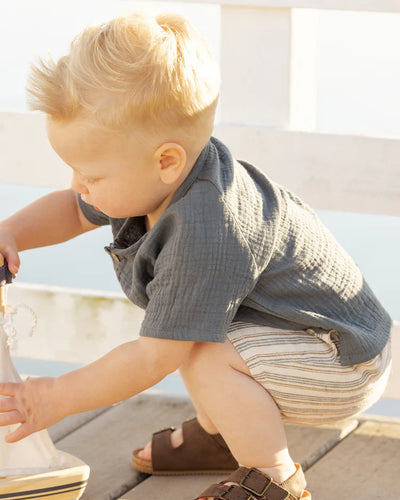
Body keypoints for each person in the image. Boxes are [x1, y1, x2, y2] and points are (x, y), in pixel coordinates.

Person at [0, 10, 392, 500]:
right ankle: (225, 432)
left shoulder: (208, 227)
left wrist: (53, 396)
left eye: (90, 175)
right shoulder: (149, 178)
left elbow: (154, 358)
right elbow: (74, 211)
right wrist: (11, 230)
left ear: (167, 161)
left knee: (199, 348)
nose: (78, 185)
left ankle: (274, 478)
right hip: (293, 339)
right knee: (202, 335)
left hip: (340, 361)